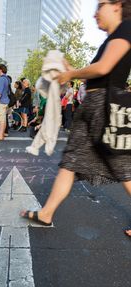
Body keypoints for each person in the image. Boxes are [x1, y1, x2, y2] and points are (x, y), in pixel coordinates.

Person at [20, 0, 131, 237]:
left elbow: (104, 68)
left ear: (117, 5)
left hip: (105, 106)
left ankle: (47, 212)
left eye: (100, 5)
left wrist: (70, 73)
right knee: (70, 162)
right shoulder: (111, 38)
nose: (94, 14)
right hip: (93, 106)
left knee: (123, 167)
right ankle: (47, 212)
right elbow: (97, 72)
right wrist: (70, 71)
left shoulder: (126, 28)